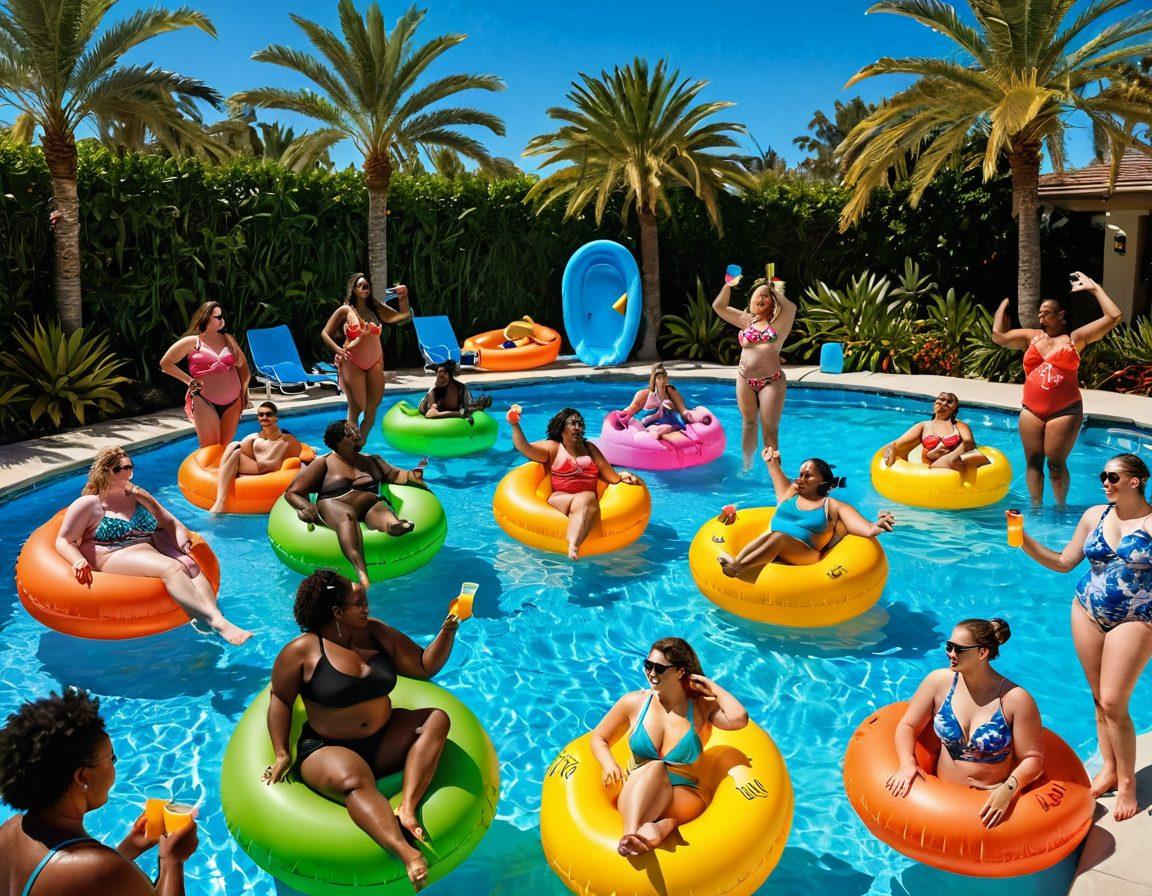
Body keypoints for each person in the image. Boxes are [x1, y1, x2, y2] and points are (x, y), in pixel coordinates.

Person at [263, 571, 460, 892]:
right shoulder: (303, 651)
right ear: (337, 613)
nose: (367, 609)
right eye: (359, 604)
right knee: (353, 779)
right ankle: (406, 853)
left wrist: (449, 628)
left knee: (436, 719)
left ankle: (407, 808)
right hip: (328, 748)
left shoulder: (377, 634)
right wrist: (282, 753)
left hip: (384, 740)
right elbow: (281, 700)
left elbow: (424, 666)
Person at [1017, 453, 1152, 821]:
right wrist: (1024, 540)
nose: (1104, 482)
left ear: (1135, 481)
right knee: (1097, 698)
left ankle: (1128, 783)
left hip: (1137, 618)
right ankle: (1108, 769)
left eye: (1112, 476)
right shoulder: (1096, 515)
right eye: (1102, 475)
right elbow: (1063, 562)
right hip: (1086, 610)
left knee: (1113, 701)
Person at [0, 689, 199, 895]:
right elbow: (95, 875)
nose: (114, 766)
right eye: (111, 758)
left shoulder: (10, 829)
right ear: (82, 777)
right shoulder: (102, 869)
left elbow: (80, 884)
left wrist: (128, 849)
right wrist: (172, 861)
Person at [54, 447, 251, 645]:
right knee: (170, 567)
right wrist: (77, 560)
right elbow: (63, 540)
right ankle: (218, 622)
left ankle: (206, 617)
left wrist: (180, 538)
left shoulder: (137, 496)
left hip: (145, 549)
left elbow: (167, 521)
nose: (127, 472)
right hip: (112, 553)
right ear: (104, 472)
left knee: (188, 565)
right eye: (119, 469)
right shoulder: (89, 504)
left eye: (130, 467)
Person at [589, 637, 749, 856]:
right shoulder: (635, 703)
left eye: (660, 668)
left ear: (680, 672)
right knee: (652, 769)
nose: (651, 673)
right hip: (638, 789)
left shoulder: (701, 708)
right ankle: (656, 829)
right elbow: (599, 738)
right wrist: (609, 764)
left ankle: (631, 834)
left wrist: (711, 687)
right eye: (648, 665)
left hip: (684, 796)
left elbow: (739, 719)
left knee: (656, 767)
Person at [884, 619, 1044, 829]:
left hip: (989, 799)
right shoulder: (938, 682)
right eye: (949, 646)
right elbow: (908, 726)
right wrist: (907, 763)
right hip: (939, 797)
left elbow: (1032, 759)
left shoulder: (1016, 699)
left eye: (958, 649)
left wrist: (1008, 789)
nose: (950, 653)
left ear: (982, 653)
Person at [991, 272, 1122, 506]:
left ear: (1060, 314)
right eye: (1039, 312)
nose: (1040, 316)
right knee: (1032, 461)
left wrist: (1094, 289)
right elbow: (999, 336)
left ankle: (1060, 508)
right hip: (1031, 410)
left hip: (1064, 410)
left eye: (1046, 312)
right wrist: (1004, 304)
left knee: (1055, 464)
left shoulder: (1075, 338)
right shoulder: (1030, 338)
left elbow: (1114, 315)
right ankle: (1036, 507)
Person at [284, 420, 429, 590]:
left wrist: (414, 476)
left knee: (379, 507)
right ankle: (361, 572)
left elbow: (395, 475)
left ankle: (393, 526)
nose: (357, 435)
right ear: (338, 441)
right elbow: (292, 492)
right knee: (346, 515)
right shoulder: (324, 462)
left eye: (356, 431)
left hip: (368, 505)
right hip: (334, 504)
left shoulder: (372, 460)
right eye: (350, 433)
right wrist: (308, 508)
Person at [717, 447, 895, 576]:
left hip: (806, 554)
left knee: (779, 537)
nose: (800, 479)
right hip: (775, 542)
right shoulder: (791, 495)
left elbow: (866, 529)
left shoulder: (833, 506)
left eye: (808, 476)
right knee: (769, 536)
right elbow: (776, 475)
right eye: (800, 474)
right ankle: (737, 561)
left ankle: (737, 568)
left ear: (822, 482)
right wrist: (771, 460)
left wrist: (879, 523)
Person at [507, 406, 641, 560]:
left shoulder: (589, 448)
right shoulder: (554, 447)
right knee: (586, 497)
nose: (578, 427)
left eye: (580, 424)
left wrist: (623, 476)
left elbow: (611, 476)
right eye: (573, 424)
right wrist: (514, 425)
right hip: (561, 499)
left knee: (587, 497)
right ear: (562, 427)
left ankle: (574, 543)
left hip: (587, 501)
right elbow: (525, 448)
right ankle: (574, 546)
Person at [711, 275, 797, 470]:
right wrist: (728, 285)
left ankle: (774, 472)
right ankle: (747, 467)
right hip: (744, 379)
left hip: (771, 381)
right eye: (757, 295)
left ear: (773, 303)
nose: (761, 298)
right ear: (749, 302)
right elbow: (719, 307)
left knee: (770, 430)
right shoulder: (746, 320)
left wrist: (772, 288)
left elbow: (791, 308)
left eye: (766, 296)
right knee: (749, 423)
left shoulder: (780, 323)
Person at [322, 274, 411, 440]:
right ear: (353, 289)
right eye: (361, 285)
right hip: (352, 362)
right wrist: (337, 350)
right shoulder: (345, 310)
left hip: (375, 363)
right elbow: (325, 333)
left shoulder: (375, 308)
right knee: (356, 408)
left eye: (367, 286)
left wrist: (403, 297)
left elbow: (402, 316)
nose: (365, 288)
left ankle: (358, 447)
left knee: (371, 412)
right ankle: (347, 446)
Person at [159, 302, 251, 448]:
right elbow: (166, 363)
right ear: (206, 318)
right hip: (205, 400)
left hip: (234, 401)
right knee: (211, 449)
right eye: (217, 317)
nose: (222, 320)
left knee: (225, 447)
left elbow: (243, 368)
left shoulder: (229, 339)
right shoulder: (192, 342)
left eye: (222, 316)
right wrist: (189, 381)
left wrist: (244, 395)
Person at [209, 401, 304, 513]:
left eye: (268, 414)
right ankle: (221, 499)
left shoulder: (285, 439)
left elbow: (293, 455)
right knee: (233, 446)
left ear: (276, 417)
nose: (264, 418)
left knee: (235, 450)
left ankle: (221, 501)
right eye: (261, 415)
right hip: (257, 466)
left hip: (267, 469)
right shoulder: (255, 438)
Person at [881, 392, 990, 472]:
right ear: (935, 403)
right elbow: (899, 443)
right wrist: (892, 448)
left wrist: (950, 455)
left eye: (949, 402)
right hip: (932, 471)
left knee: (945, 461)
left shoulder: (959, 426)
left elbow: (969, 443)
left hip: (956, 463)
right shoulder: (923, 426)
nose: (944, 403)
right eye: (941, 399)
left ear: (954, 408)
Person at [618, 363, 695, 441]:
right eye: (659, 378)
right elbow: (631, 409)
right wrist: (623, 415)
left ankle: (661, 435)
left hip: (670, 422)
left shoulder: (671, 392)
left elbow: (682, 409)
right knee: (655, 429)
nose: (663, 381)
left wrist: (689, 415)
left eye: (664, 377)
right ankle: (653, 436)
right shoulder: (644, 395)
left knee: (668, 427)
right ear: (654, 380)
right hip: (650, 423)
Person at [417, 361, 492, 422]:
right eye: (439, 373)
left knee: (471, 407)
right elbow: (430, 413)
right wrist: (458, 414)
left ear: (450, 375)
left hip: (457, 410)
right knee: (431, 411)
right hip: (437, 410)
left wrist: (472, 409)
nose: (440, 375)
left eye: (444, 373)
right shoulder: (433, 390)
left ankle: (479, 404)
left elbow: (468, 406)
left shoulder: (461, 389)